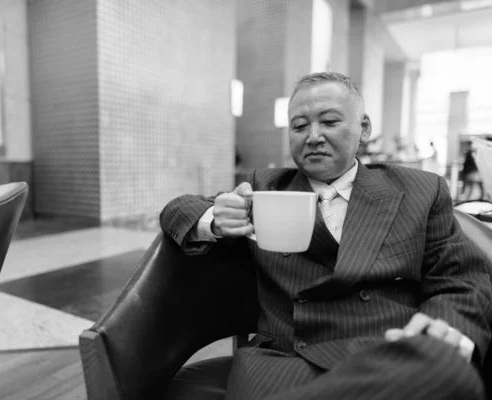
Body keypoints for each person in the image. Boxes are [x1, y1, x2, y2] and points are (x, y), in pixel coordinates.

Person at [159, 72, 492, 400]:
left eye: (329, 122)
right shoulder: (264, 187)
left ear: (363, 129)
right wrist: (216, 217)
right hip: (285, 358)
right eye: (300, 126)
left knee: (448, 368)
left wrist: (441, 331)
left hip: (385, 353)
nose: (313, 136)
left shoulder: (420, 189)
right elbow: (178, 210)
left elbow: (461, 279)